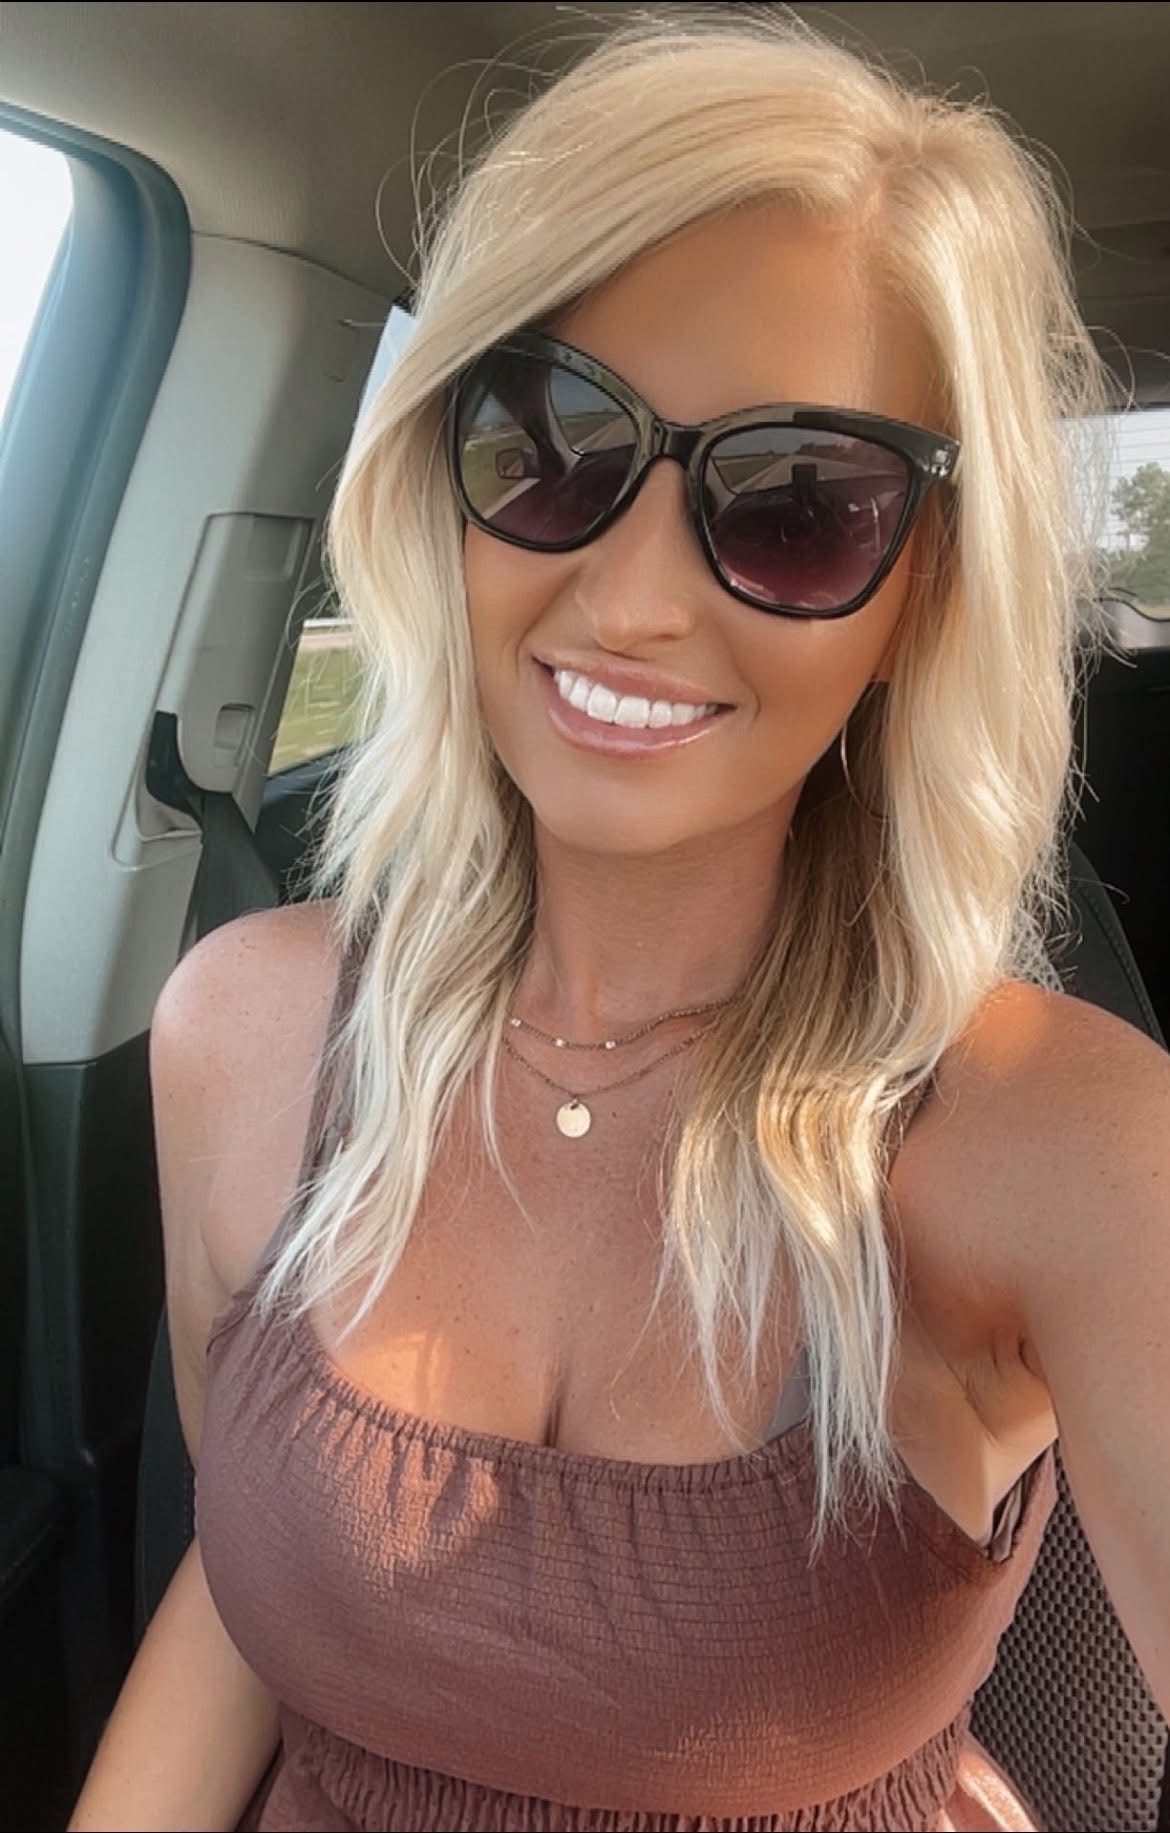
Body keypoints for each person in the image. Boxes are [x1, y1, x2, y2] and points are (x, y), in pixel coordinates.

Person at [70, 10, 1170, 1832]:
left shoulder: (1062, 1143)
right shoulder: (243, 1030)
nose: (632, 597)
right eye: (547, 438)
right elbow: (251, 1591)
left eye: (800, 503)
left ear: (921, 591)